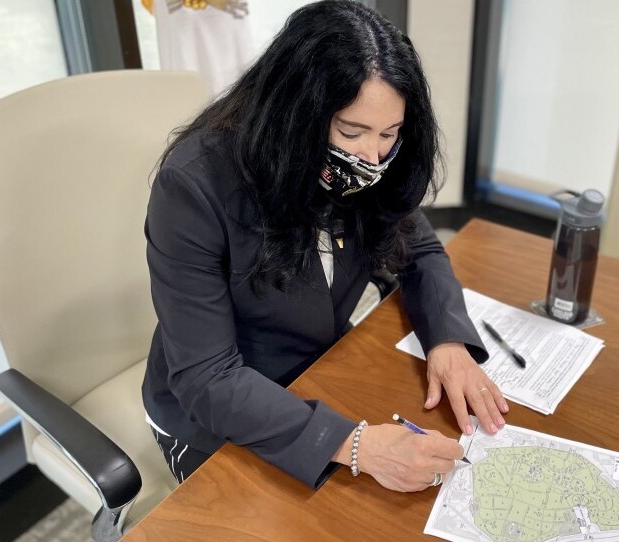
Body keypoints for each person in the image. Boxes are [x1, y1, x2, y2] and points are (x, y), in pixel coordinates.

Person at [142, 0, 509, 493]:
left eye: (390, 134)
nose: (372, 157)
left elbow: (419, 251)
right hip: (217, 418)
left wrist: (447, 341)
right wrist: (359, 446)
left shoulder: (370, 162)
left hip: (317, 379)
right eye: (351, 132)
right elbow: (207, 378)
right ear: (294, 114)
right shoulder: (194, 185)